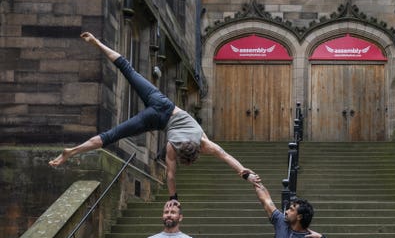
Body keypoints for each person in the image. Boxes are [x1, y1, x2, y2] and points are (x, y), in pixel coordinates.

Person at [49, 32, 261, 199]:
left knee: (128, 70)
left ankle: (96, 42)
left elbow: (227, 158)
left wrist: (246, 173)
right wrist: (173, 197)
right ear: (193, 152)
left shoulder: (201, 142)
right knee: (111, 136)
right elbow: (171, 175)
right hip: (155, 119)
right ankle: (73, 151)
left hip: (162, 104)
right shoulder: (176, 147)